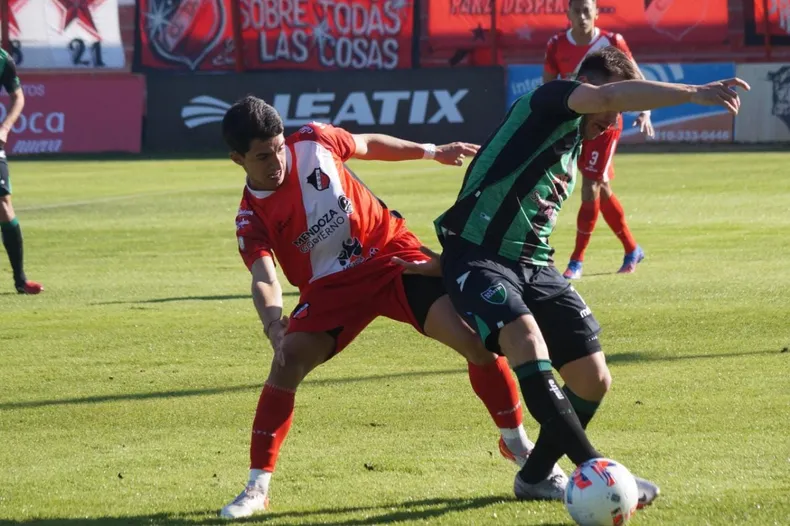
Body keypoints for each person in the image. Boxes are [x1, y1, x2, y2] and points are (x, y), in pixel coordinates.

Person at [398, 47, 748, 503]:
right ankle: (597, 470)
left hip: (534, 264)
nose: (609, 123)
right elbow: (603, 100)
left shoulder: (572, 141)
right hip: (480, 256)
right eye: (609, 111)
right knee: (525, 340)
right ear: (591, 87)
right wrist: (695, 93)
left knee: (593, 379)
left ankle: (536, 477)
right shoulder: (548, 100)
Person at [218, 96, 554, 519]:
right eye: (263, 156)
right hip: (331, 290)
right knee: (286, 364)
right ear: (238, 159)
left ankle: (517, 444)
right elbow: (264, 276)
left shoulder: (316, 140)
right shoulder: (250, 217)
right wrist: (273, 326)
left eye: (279, 148)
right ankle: (256, 488)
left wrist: (433, 152)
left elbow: (369, 143)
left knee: (476, 341)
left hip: (391, 257)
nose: (277, 161)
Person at [543, 0, 653, 279]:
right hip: (577, 123)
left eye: (586, 10)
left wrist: (645, 110)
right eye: (576, 10)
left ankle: (576, 261)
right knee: (601, 186)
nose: (581, 16)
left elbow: (635, 77)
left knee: (590, 184)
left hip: (606, 123)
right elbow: (549, 87)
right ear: (567, 13)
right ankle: (632, 249)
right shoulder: (556, 44)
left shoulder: (611, 41)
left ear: (596, 13)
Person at [0, 48, 42, 295]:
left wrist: (5, 127)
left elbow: (18, 96)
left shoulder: (3, 60)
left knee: (4, 205)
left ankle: (21, 280)